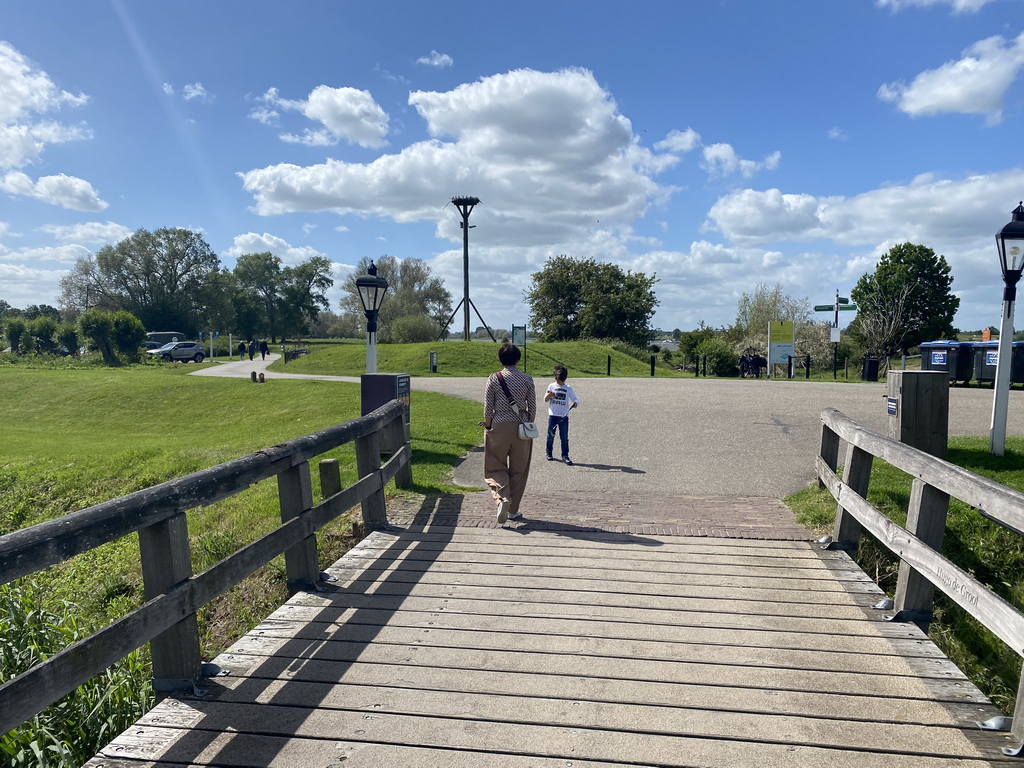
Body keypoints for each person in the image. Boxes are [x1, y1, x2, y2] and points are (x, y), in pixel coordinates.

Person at [480, 342, 535, 524]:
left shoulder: (494, 378)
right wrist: (527, 423)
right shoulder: (527, 379)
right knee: (519, 470)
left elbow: (488, 408)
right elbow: (532, 409)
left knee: (495, 466)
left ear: (501, 359)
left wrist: (488, 426)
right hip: (521, 428)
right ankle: (513, 510)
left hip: (499, 426)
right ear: (518, 359)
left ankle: (502, 498)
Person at [544, 365, 579, 464]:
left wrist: (575, 403)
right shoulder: (551, 386)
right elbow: (545, 399)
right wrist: (549, 395)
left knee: (564, 437)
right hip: (553, 416)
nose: (559, 383)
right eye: (557, 380)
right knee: (550, 436)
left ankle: (565, 455)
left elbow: (575, 399)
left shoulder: (568, 388)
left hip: (563, 417)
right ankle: (549, 452)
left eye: (561, 381)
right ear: (555, 377)